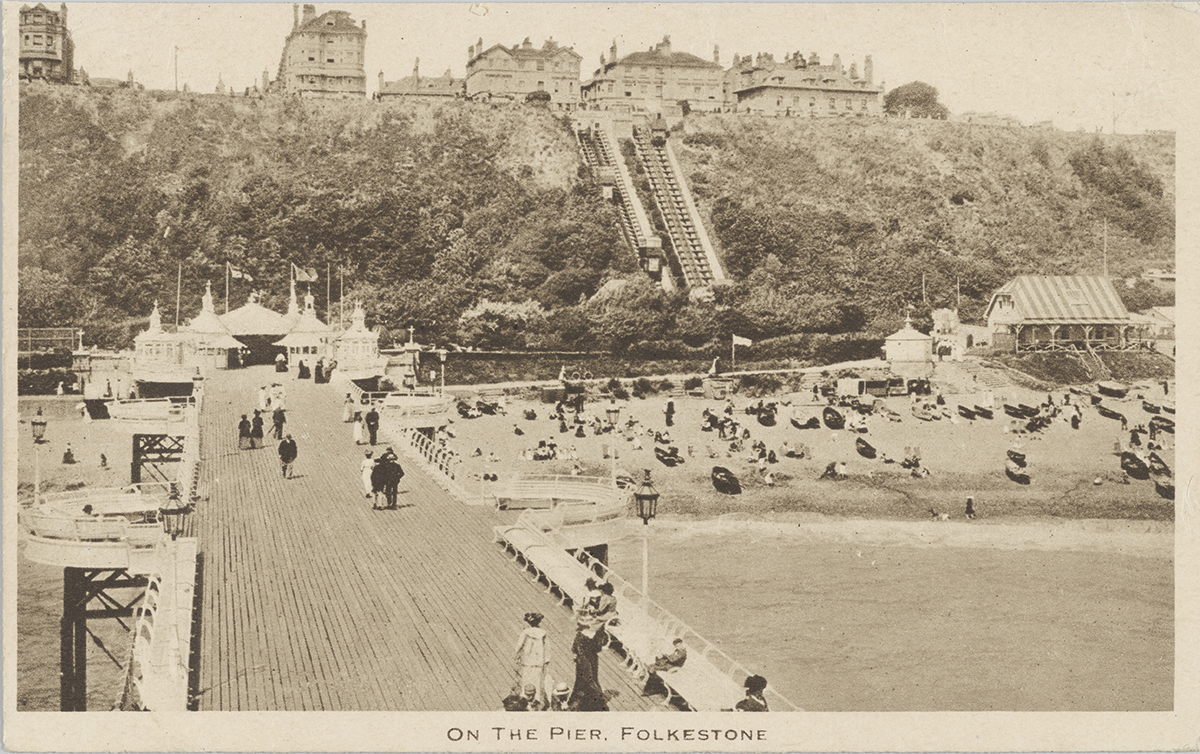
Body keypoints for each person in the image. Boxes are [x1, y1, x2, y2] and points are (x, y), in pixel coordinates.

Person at [567, 626, 607, 711]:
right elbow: (598, 649)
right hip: (592, 660)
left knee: (581, 680)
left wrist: (577, 656)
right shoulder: (596, 635)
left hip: (581, 661)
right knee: (591, 679)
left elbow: (574, 648)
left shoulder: (580, 635)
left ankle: (578, 701)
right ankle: (594, 702)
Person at [515, 613, 549, 709]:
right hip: (538, 660)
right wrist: (546, 660)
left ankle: (524, 697)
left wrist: (517, 654)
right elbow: (547, 647)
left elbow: (519, 645)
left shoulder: (526, 632)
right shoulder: (543, 633)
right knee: (537, 679)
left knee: (526, 677)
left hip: (528, 659)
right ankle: (536, 698)